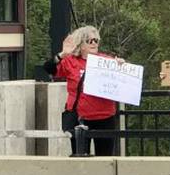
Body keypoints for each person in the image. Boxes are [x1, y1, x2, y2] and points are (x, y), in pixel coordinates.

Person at [44, 26, 119, 157]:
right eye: (90, 41)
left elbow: (121, 81)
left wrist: (121, 66)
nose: (94, 43)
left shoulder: (107, 61)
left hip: (105, 117)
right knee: (80, 158)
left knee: (105, 159)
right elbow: (49, 68)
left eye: (96, 40)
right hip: (81, 119)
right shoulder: (70, 61)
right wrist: (62, 54)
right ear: (81, 44)